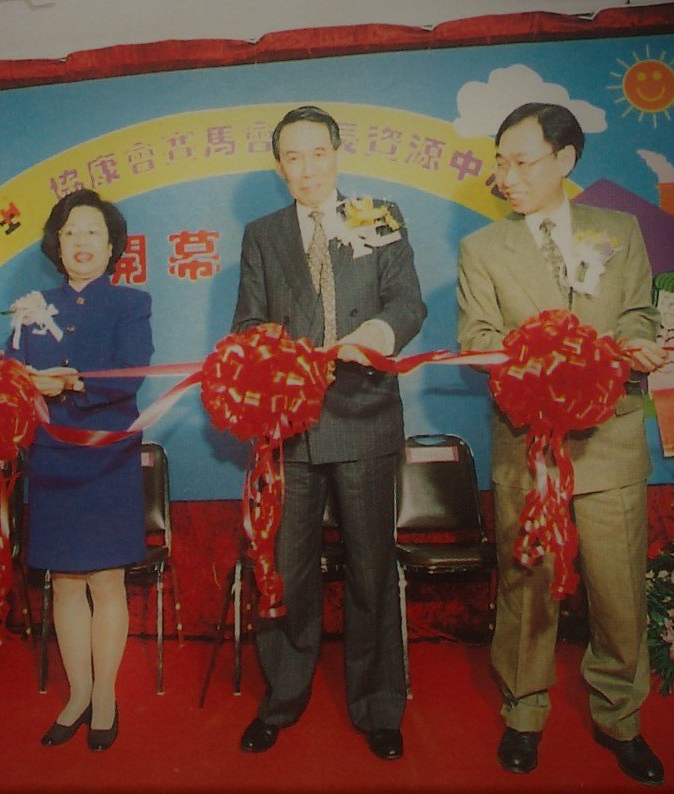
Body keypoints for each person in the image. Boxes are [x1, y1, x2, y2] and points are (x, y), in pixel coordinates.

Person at [456, 103, 667, 786]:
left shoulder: (620, 230)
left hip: (610, 439)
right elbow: (477, 341)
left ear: (565, 160)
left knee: (617, 589)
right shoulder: (481, 249)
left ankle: (620, 718)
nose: (506, 177)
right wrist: (539, 360)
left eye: (522, 162)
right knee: (528, 585)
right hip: (529, 445)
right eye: (500, 163)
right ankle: (523, 713)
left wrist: (639, 344)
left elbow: (636, 313)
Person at [230, 105, 426, 761]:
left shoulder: (376, 215)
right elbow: (247, 322)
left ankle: (378, 706)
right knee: (286, 571)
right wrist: (272, 353)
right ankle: (282, 699)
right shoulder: (262, 234)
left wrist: (376, 334)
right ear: (279, 167)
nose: (307, 168)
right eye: (293, 157)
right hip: (288, 427)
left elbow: (407, 303)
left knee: (371, 568)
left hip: (363, 413)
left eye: (318, 153)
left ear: (338, 155)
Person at [5, 189, 153, 752]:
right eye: (71, 232)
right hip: (52, 457)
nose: (82, 242)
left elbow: (131, 373)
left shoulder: (131, 302)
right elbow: (10, 370)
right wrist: (22, 380)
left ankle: (106, 697)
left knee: (106, 579)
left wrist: (71, 382)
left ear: (112, 246)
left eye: (93, 232)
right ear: (57, 244)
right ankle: (78, 694)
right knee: (64, 580)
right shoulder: (32, 305)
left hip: (107, 453)